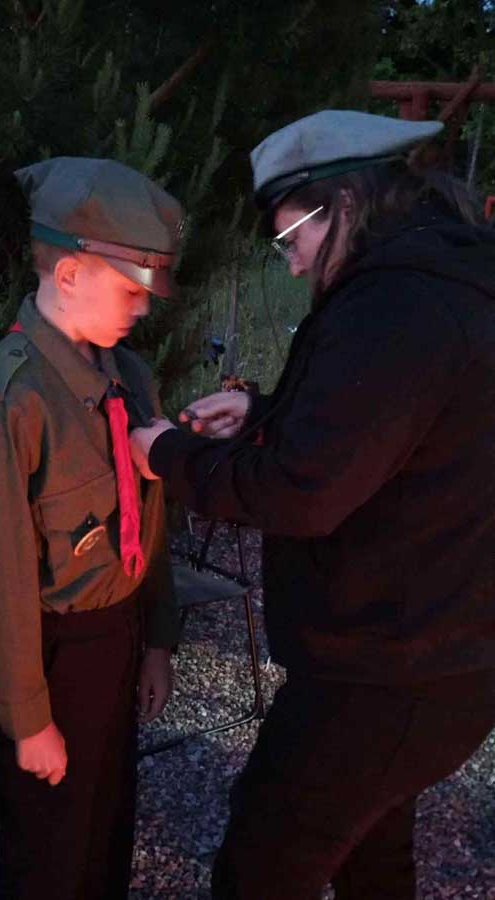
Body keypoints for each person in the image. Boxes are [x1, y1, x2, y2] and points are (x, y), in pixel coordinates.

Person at [130, 109, 495, 899]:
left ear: (345, 205)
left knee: (266, 862)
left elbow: (303, 493)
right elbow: (400, 429)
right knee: (370, 850)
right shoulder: (441, 279)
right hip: (439, 648)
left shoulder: (397, 306)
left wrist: (166, 454)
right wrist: (266, 414)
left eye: (291, 238)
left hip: (388, 669)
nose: (291, 264)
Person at [0, 156, 182, 899]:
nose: (142, 308)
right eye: (130, 289)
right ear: (71, 272)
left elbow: (149, 521)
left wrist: (156, 640)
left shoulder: (128, 377)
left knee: (106, 829)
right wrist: (26, 720)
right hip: (48, 657)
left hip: (117, 637)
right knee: (49, 851)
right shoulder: (8, 399)